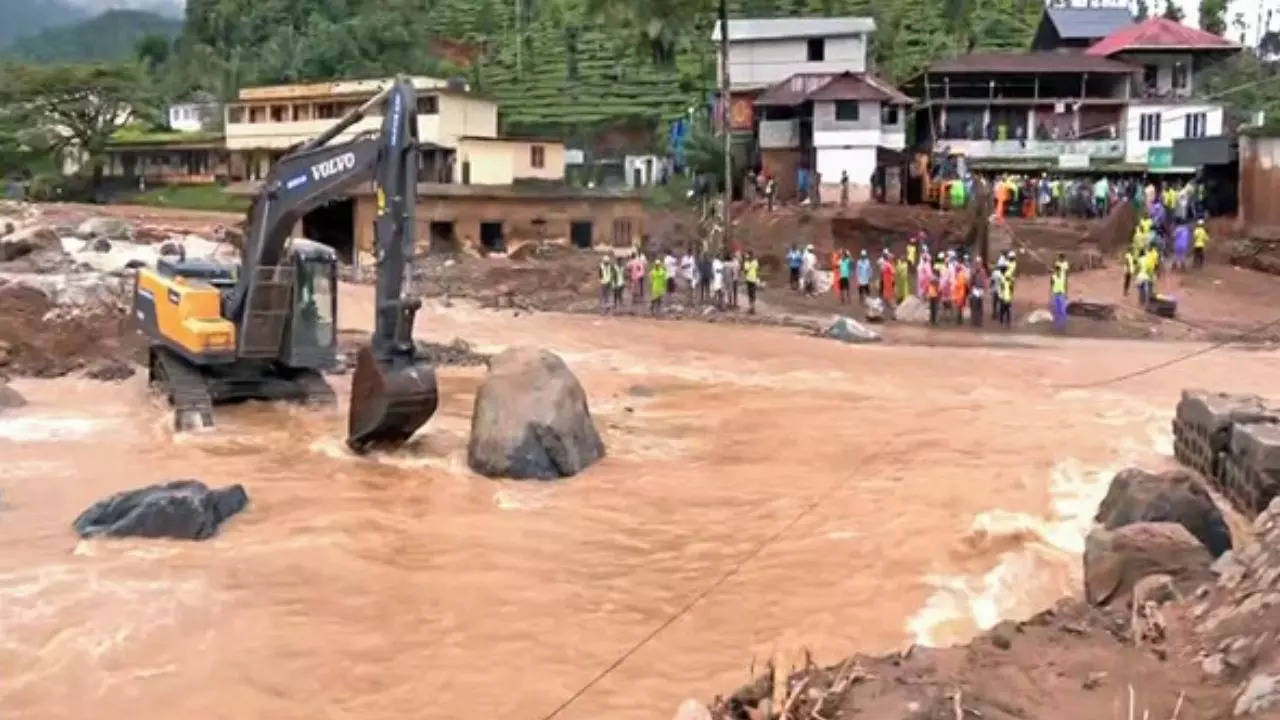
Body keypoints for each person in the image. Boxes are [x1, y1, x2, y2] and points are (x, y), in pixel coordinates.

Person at [1050, 261, 1068, 331]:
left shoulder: (1063, 275)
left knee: (1062, 310)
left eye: (1058, 269)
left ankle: (1063, 324)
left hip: (1061, 294)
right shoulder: (1053, 276)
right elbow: (1052, 284)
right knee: (1056, 309)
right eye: (1056, 269)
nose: (1057, 270)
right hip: (1056, 294)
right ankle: (1057, 324)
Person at [970, 259, 987, 327]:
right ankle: (974, 320)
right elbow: (971, 281)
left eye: (979, 263)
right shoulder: (973, 271)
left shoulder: (983, 271)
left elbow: (984, 281)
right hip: (975, 289)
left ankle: (979, 321)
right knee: (974, 305)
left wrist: (984, 288)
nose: (978, 265)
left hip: (980, 289)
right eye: (977, 263)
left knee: (980, 306)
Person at [952, 259, 969, 325]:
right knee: (959, 307)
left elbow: (959, 284)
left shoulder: (960, 275)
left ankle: (959, 320)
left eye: (957, 268)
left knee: (959, 308)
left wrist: (955, 284)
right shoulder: (960, 274)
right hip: (960, 293)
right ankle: (959, 319)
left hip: (960, 294)